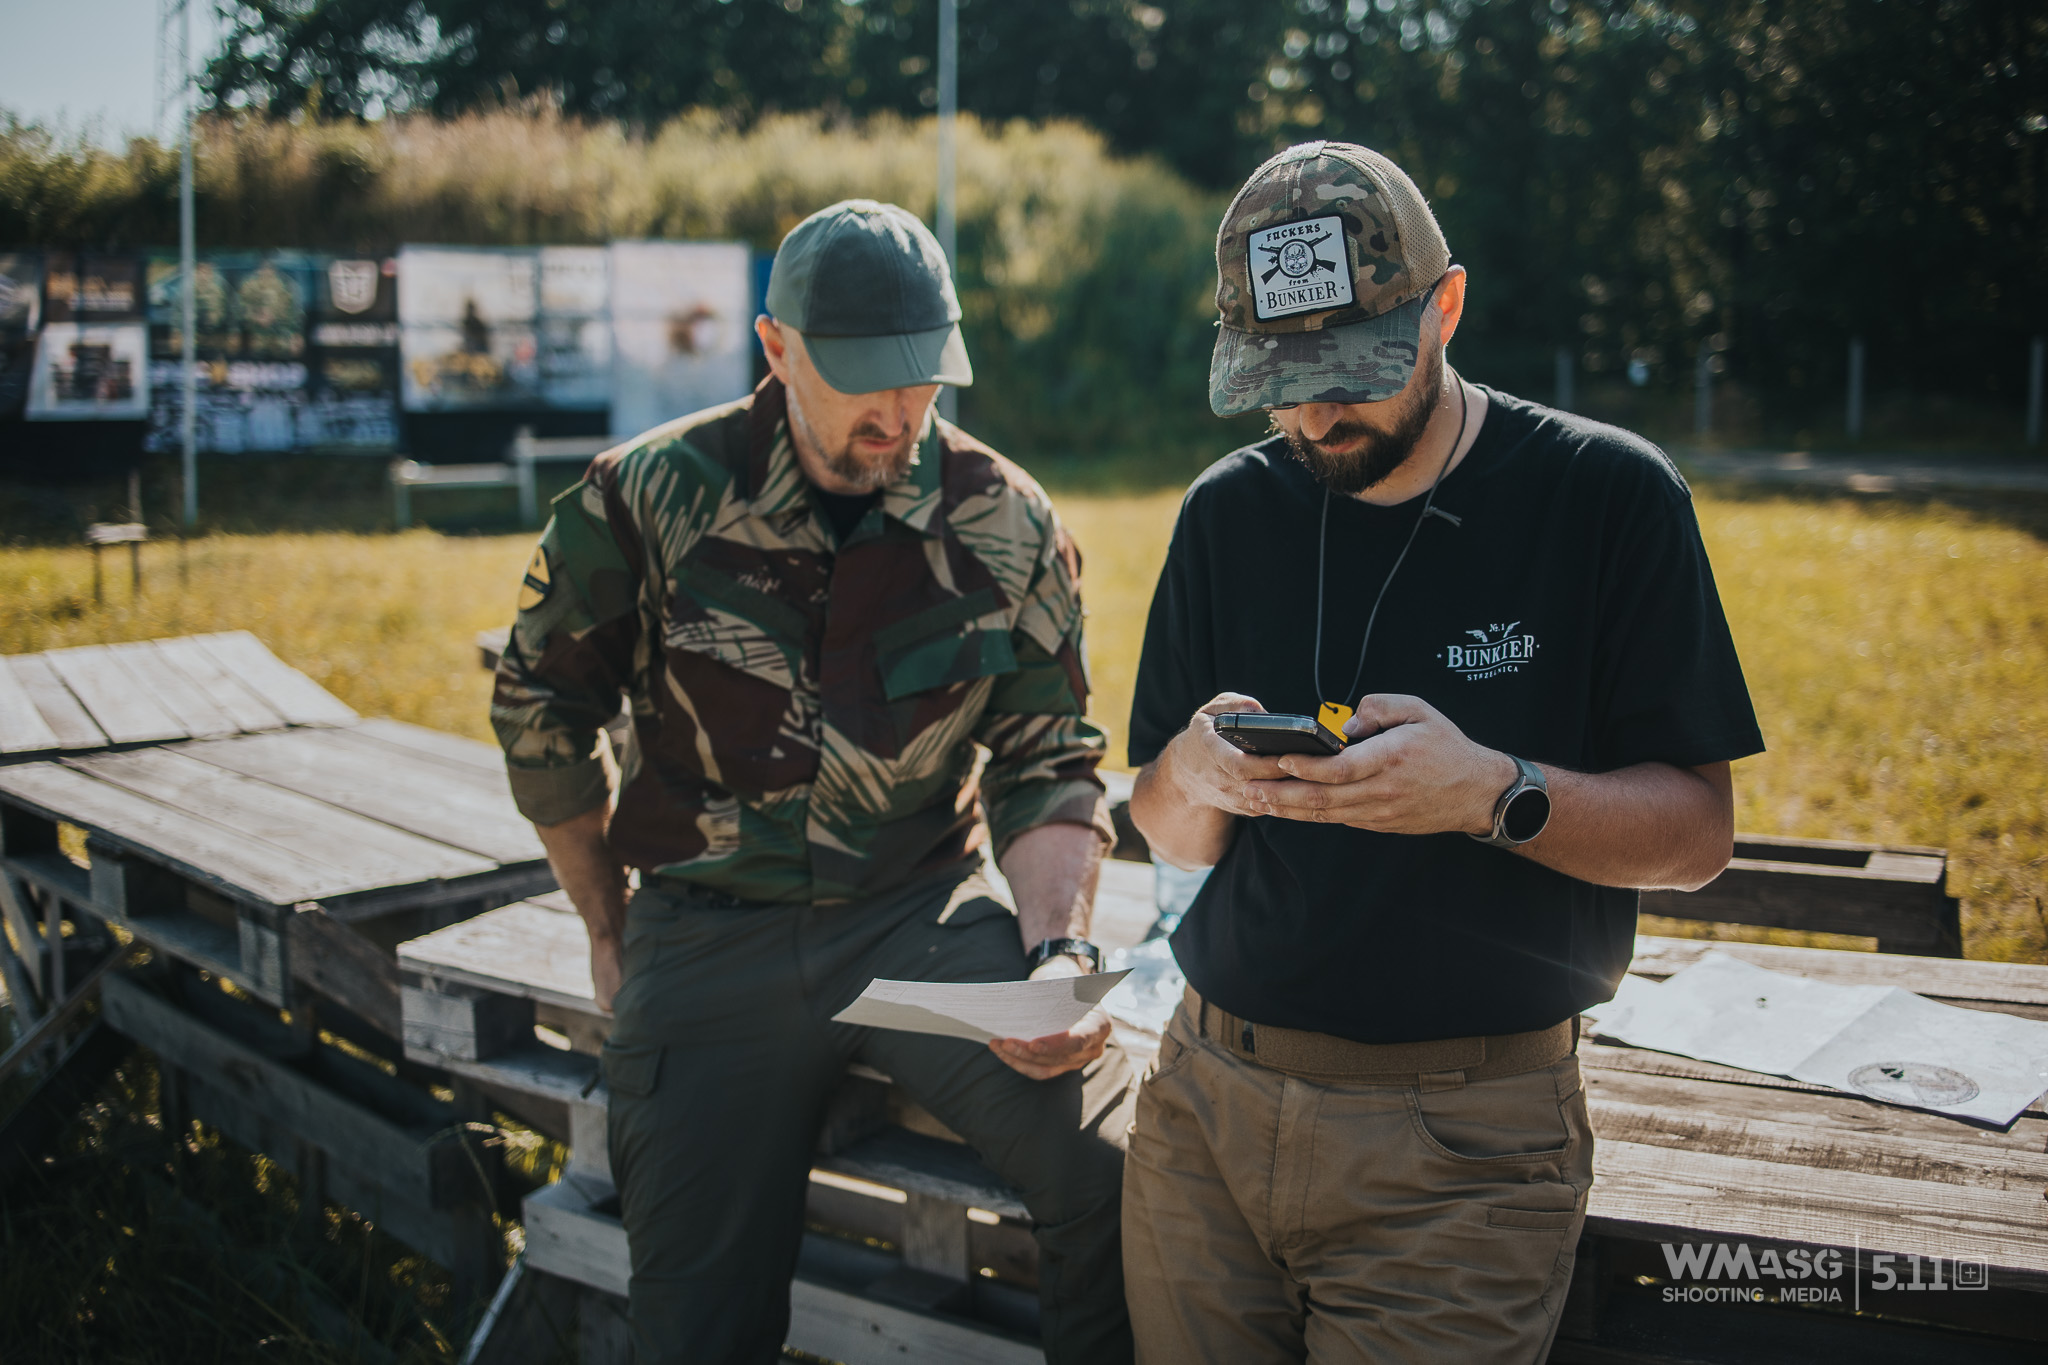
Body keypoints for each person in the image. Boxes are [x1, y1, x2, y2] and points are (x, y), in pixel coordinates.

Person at [1121, 141, 1765, 1362]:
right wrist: (1193, 776)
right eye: (1280, 376)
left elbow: (1694, 835)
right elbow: (1163, 825)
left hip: (1462, 1151)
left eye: (1351, 370)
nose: (1315, 412)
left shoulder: (1604, 497)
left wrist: (1492, 795)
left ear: (1445, 307)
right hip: (1204, 1109)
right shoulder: (1224, 513)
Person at [493, 199, 1135, 1365]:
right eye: (858, 381)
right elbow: (540, 713)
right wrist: (604, 923)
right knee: (696, 1317)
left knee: (1121, 1177)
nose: (896, 415)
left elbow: (1046, 755)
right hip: (707, 933)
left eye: (922, 382)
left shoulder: (1004, 519)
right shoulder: (643, 497)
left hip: (917, 930)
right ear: (775, 348)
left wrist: (1057, 953)